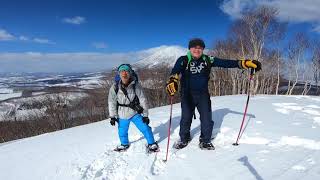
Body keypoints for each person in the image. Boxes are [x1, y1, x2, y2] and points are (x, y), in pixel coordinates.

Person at [166, 38, 261, 150]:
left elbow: (226, 63)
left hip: (202, 95)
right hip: (187, 95)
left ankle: (205, 140)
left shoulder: (208, 59)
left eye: (200, 47)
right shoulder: (183, 60)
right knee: (186, 118)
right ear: (190, 48)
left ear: (203, 49)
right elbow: (176, 70)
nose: (197, 49)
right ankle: (184, 138)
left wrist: (244, 63)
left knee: (206, 119)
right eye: (194, 47)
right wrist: (173, 80)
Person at [108, 64, 159, 152]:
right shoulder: (115, 87)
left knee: (145, 127)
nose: (124, 73)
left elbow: (143, 100)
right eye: (122, 71)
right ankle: (124, 144)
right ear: (119, 74)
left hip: (134, 112)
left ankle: (152, 143)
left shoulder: (136, 85)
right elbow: (111, 102)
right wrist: (112, 116)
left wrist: (145, 115)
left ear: (130, 73)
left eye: (126, 71)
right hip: (122, 114)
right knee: (122, 132)